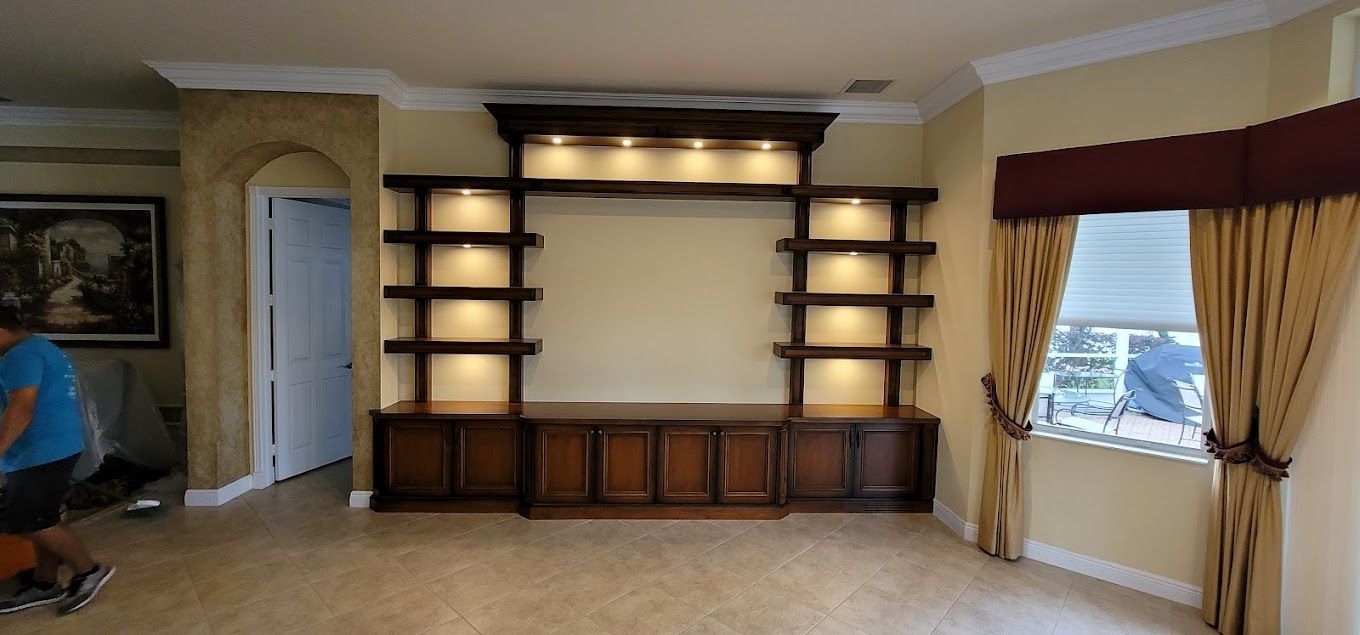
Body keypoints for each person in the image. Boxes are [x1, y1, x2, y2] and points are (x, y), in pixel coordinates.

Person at [0, 309, 113, 614]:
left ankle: (88, 571)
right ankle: (44, 583)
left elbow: (21, 409)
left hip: (39, 452)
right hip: (56, 447)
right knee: (43, 518)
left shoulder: (19, 358)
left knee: (25, 521)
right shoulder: (42, 347)